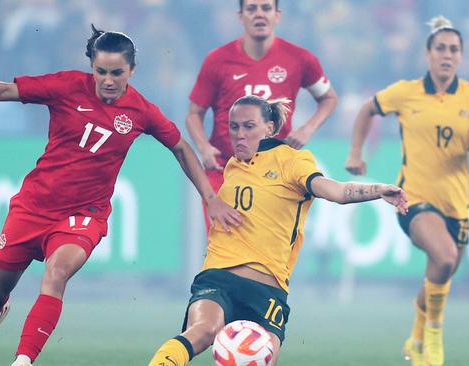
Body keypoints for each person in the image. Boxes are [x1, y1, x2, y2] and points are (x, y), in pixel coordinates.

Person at [0, 25, 242, 366]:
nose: (108, 80)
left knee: (57, 272)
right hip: (33, 206)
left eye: (117, 73)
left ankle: (23, 360)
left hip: (84, 214)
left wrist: (210, 196)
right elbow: (7, 90)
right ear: (92, 66)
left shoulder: (141, 111)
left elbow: (181, 147)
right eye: (101, 71)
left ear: (132, 71)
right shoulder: (66, 86)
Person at [148, 95, 408, 366]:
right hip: (218, 278)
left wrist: (378, 190)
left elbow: (337, 192)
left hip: (268, 292)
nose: (239, 135)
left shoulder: (291, 161)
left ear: (269, 128)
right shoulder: (234, 165)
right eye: (233, 127)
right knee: (203, 330)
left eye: (249, 126)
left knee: (263, 356)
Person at [344, 16, 469, 366]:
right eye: (441, 49)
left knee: (440, 270)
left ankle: (415, 339)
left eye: (454, 50)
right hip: (412, 198)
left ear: (461, 56)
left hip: (456, 204)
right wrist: (355, 153)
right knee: (445, 258)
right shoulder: (406, 92)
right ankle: (433, 337)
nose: (447, 55)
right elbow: (367, 110)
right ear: (428, 54)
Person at [186, 0, 338, 229]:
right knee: (224, 250)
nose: (259, 14)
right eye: (252, 9)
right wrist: (203, 147)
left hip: (273, 173)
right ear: (241, 15)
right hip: (225, 170)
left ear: (277, 15)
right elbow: (194, 114)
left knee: (264, 253)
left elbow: (329, 98)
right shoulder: (218, 60)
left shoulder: (299, 59)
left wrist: (306, 129)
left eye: (266, 8)